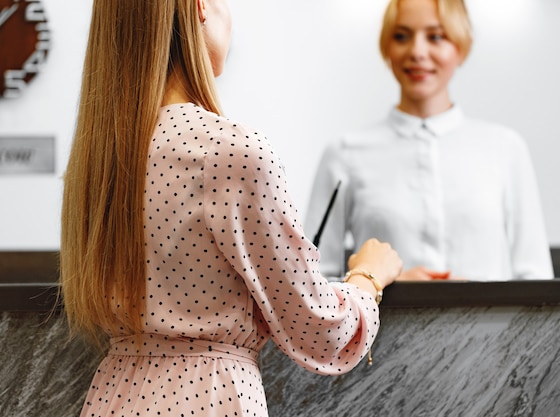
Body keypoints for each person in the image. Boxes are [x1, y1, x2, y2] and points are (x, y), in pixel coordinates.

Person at [59, 1, 403, 416]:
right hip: (210, 397)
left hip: (113, 396)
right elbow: (321, 330)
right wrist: (368, 277)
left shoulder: (97, 161)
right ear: (199, 7)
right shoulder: (230, 153)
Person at [304, 0, 553, 282]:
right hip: (385, 328)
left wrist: (476, 298)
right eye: (401, 36)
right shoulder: (344, 153)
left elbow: (536, 278)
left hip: (493, 327)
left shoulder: (507, 149)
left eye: (436, 37)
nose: (417, 52)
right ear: (386, 48)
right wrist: (382, 285)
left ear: (462, 47)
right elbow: (311, 284)